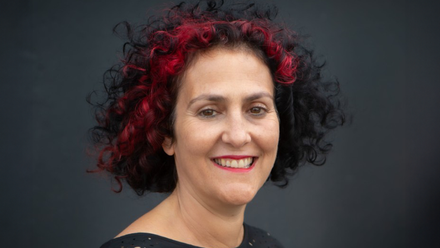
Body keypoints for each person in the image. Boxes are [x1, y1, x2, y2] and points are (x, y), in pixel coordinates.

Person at [89, 1, 345, 247]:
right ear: (166, 133)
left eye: (256, 109)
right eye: (209, 112)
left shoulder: (268, 244)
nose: (237, 136)